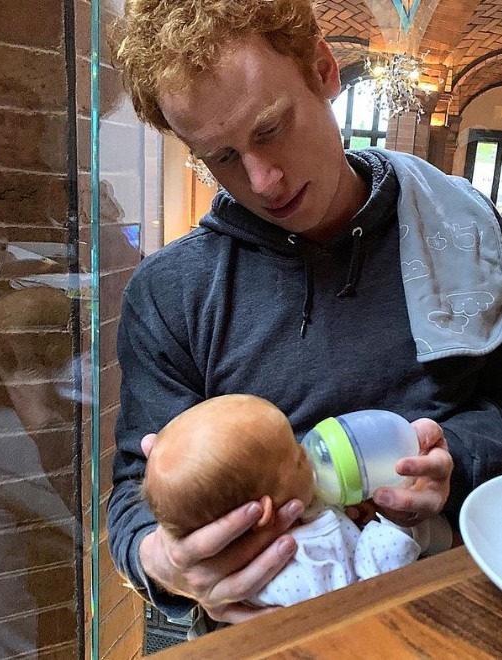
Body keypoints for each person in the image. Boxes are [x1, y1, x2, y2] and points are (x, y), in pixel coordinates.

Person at [107, 0, 502, 636]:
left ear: (323, 70)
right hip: (268, 634)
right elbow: (134, 496)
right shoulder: (170, 294)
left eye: (270, 129)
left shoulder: (469, 231)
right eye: (222, 158)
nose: (263, 181)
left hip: (449, 605)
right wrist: (168, 561)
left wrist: (453, 457)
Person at [143, 394, 451, 607]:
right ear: (262, 512)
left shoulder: (298, 508)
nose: (306, 448)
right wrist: (395, 531)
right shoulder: (295, 566)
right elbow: (365, 593)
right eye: (297, 457)